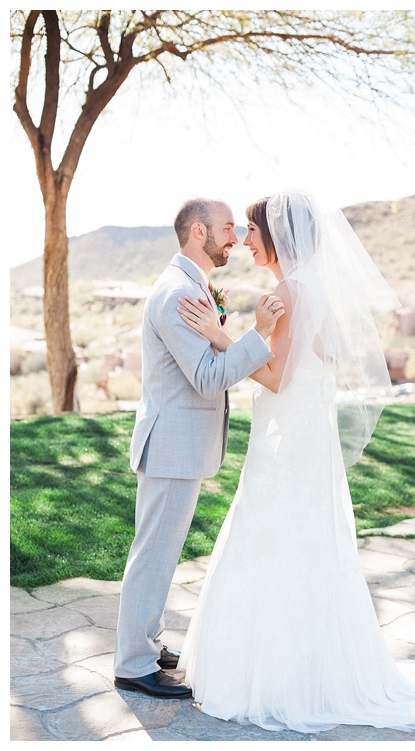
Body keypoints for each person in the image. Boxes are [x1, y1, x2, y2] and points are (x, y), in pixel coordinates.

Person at [174, 190, 415, 732]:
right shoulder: (308, 287)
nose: (245, 240)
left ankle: (278, 677)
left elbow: (276, 376)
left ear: (276, 236)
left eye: (251, 231)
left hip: (289, 438)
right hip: (299, 431)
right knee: (298, 539)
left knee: (274, 536)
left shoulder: (292, 292)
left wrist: (220, 337)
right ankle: (305, 666)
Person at [114, 198, 285, 699]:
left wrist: (223, 331)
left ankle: (145, 641)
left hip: (177, 443)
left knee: (160, 553)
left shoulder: (192, 287)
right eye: (227, 228)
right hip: (170, 444)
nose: (234, 237)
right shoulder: (176, 295)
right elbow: (208, 379)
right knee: (153, 555)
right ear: (197, 232)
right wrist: (259, 336)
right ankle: (133, 663)